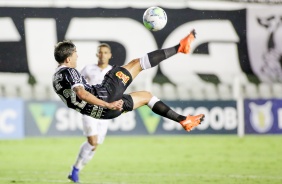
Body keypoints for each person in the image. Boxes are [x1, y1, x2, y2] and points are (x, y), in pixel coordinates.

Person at [52, 29, 205, 183]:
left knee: (146, 97)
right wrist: (108, 103)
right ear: (67, 58)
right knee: (137, 64)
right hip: (106, 96)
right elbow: (81, 93)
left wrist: (107, 107)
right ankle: (180, 48)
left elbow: (75, 97)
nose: (77, 56)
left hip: (102, 113)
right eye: (75, 53)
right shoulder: (69, 71)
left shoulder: (56, 78)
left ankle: (183, 120)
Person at [67, 43, 113, 182]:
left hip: (105, 112)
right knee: (92, 141)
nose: (102, 55)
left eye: (105, 52)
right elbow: (77, 85)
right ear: (96, 54)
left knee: (95, 144)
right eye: (100, 52)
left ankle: (76, 169)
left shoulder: (113, 71)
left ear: (110, 55)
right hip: (89, 109)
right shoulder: (88, 69)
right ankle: (75, 170)